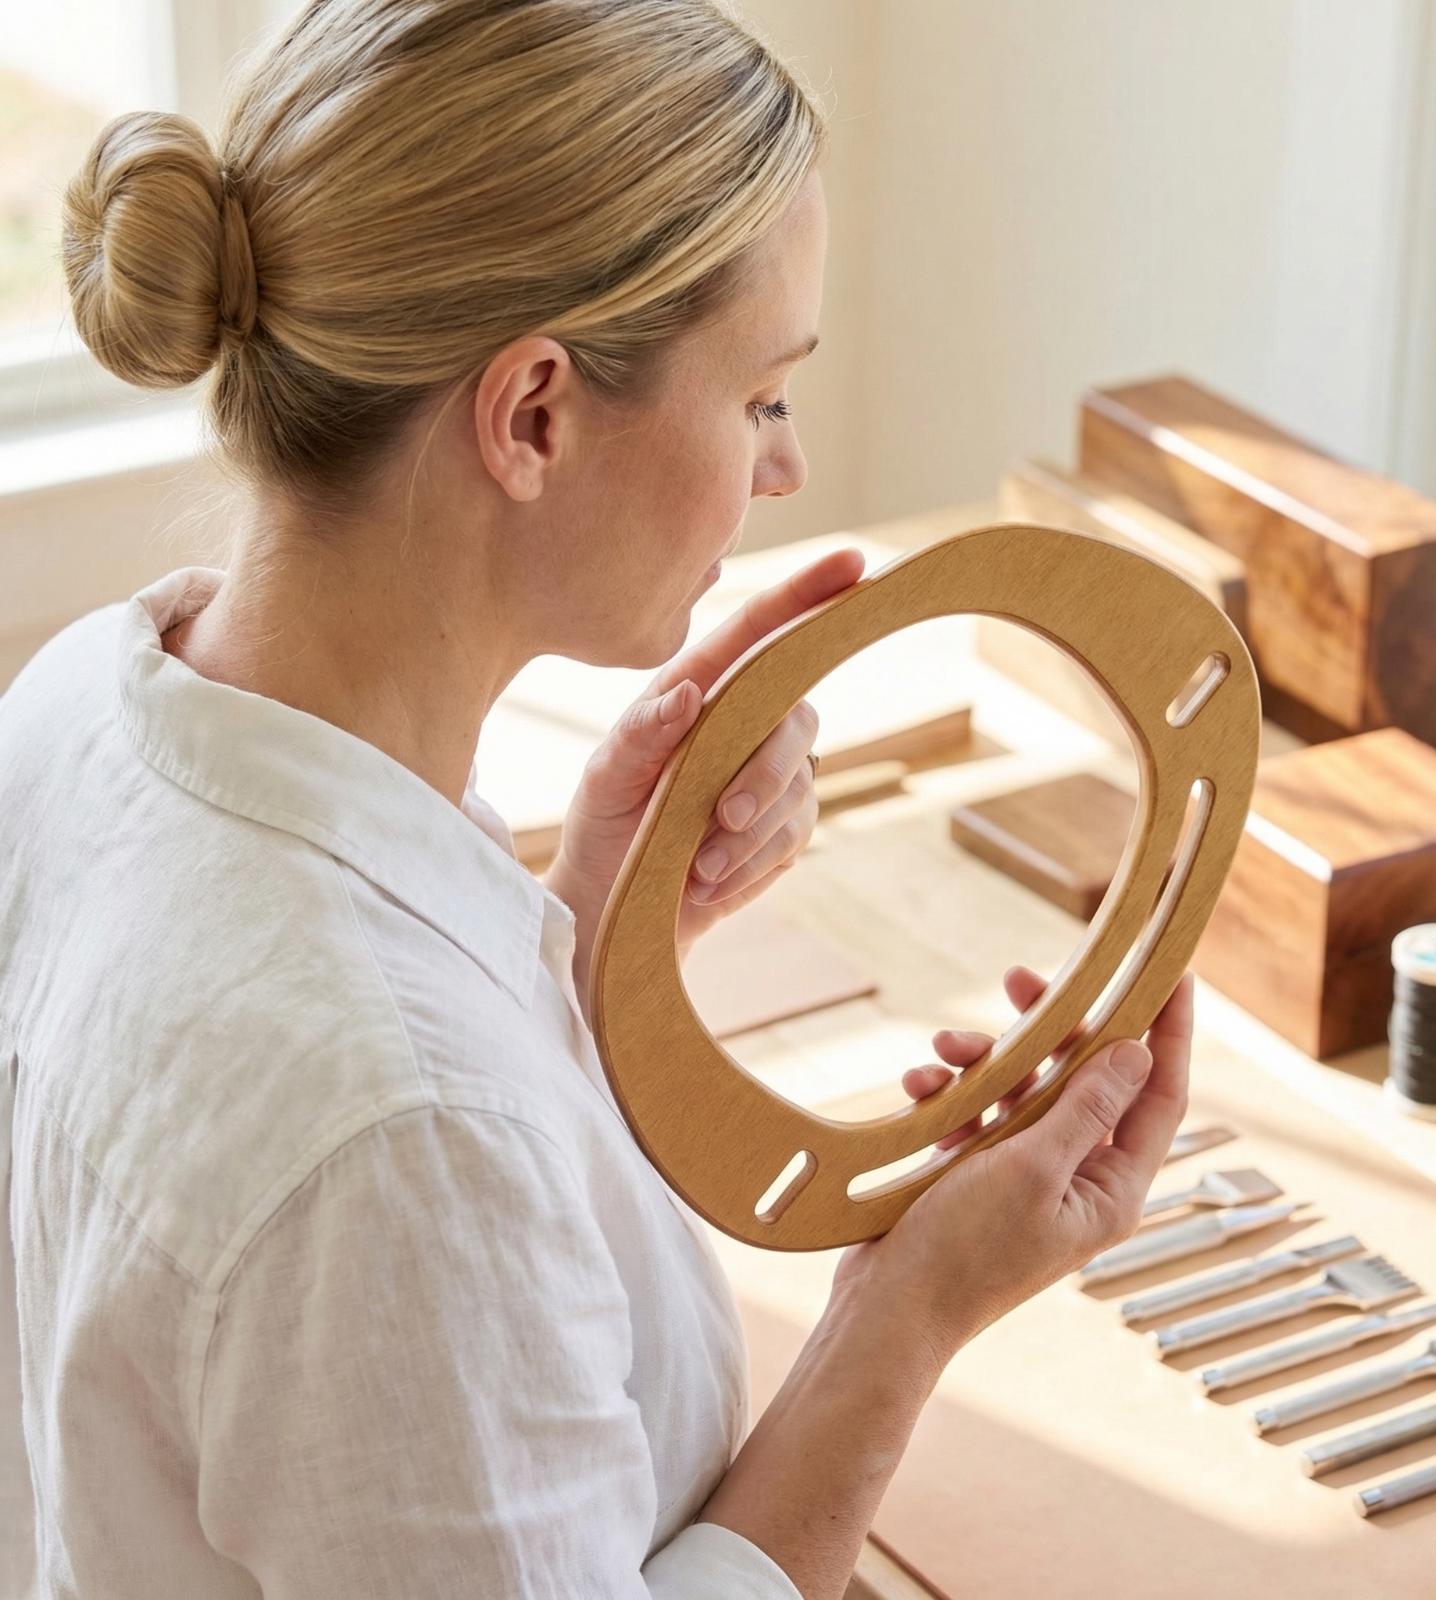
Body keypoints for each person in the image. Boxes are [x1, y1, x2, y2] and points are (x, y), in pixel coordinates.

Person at [0, 2, 1192, 1595]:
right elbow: (383, 1134)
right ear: (535, 415)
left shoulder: (77, 707)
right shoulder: (403, 1148)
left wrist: (572, 934)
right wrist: (903, 1311)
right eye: (762, 398)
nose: (785, 468)